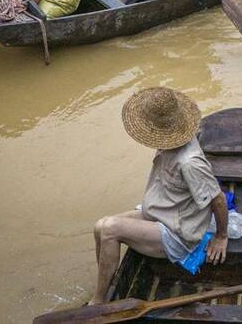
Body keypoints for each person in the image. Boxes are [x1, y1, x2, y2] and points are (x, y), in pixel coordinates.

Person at [92, 87, 228, 304]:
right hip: (162, 211)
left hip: (177, 232)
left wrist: (221, 236)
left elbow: (218, 199)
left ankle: (97, 301)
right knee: (99, 226)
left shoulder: (190, 162)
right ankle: (106, 282)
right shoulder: (170, 142)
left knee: (109, 229)